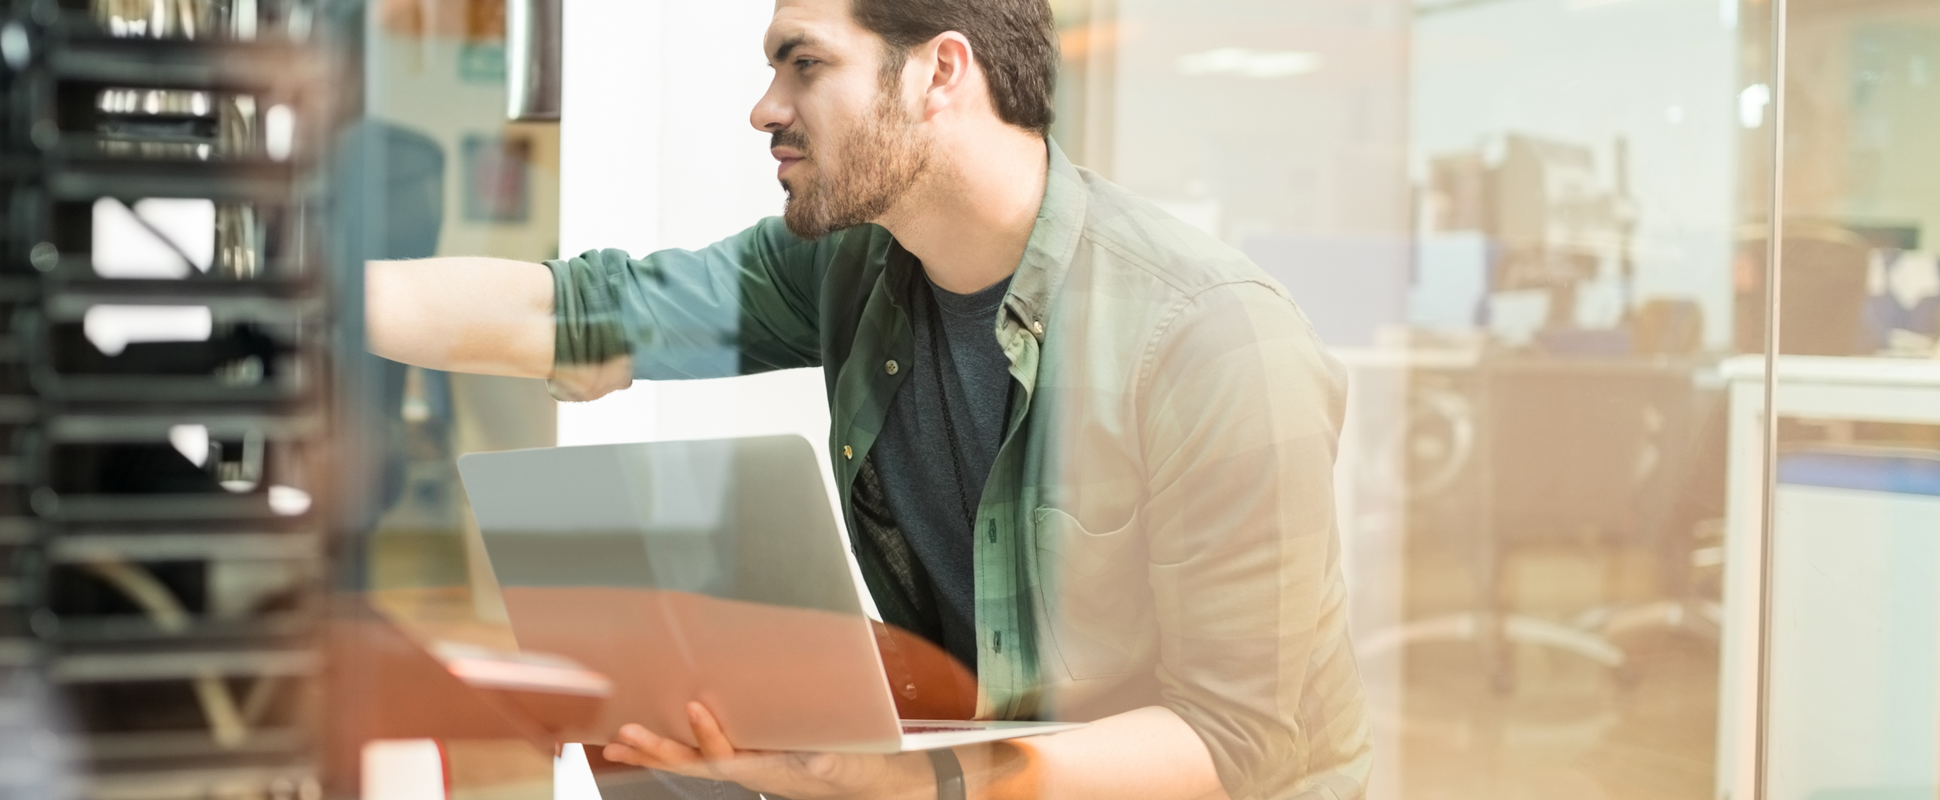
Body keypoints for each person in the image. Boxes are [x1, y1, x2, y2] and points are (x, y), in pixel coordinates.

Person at [363, 0, 1370, 796]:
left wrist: (920, 785)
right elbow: (587, 313)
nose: (764, 107)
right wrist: (310, 305)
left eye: (802, 64)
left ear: (938, 71)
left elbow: (1236, 738)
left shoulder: (1210, 335)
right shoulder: (848, 263)